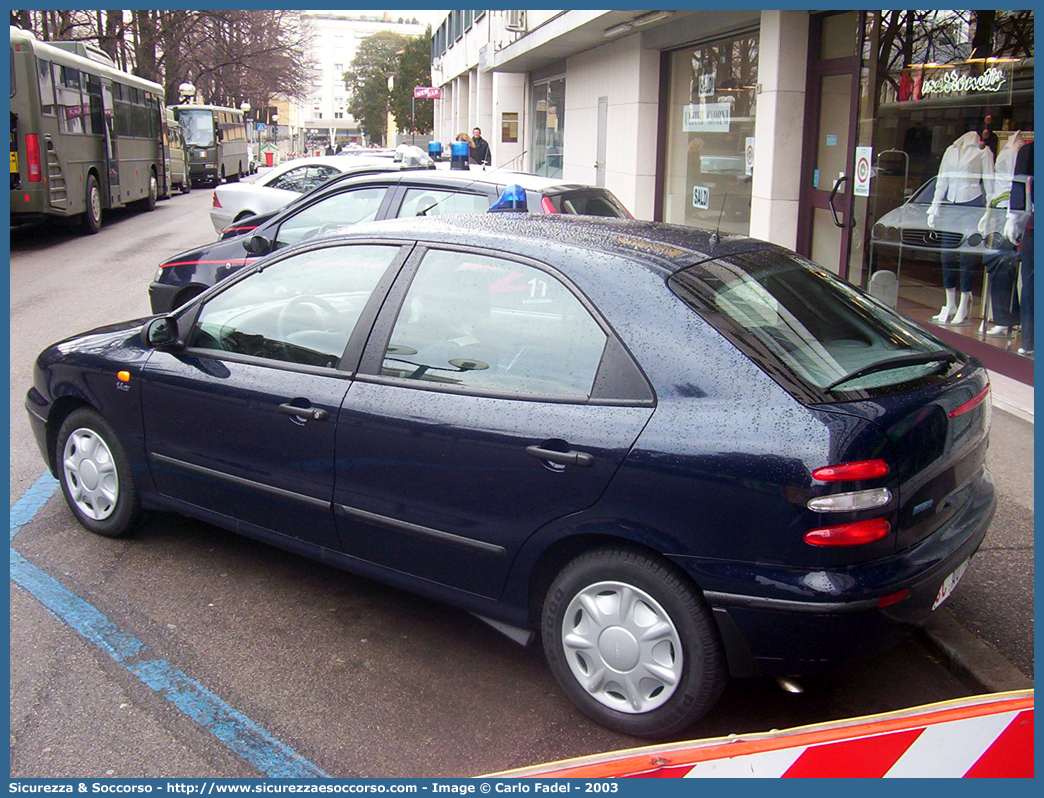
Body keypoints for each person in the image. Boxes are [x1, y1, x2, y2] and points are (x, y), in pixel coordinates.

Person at [1006, 141, 1034, 355]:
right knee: (1031, 283)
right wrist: (1014, 218)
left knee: (1031, 283)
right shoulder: (1029, 150)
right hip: (1033, 224)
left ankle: (1030, 341)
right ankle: (1029, 340)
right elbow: (1019, 185)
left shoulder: (1029, 150)